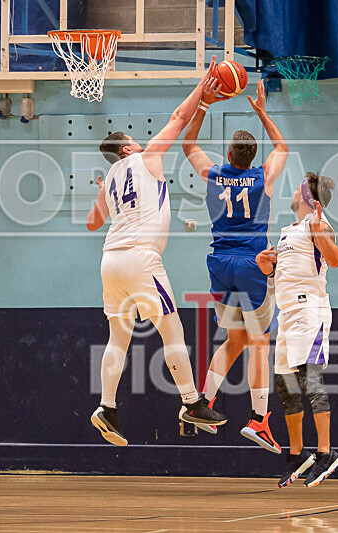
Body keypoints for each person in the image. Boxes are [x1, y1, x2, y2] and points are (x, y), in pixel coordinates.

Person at [87, 57, 227, 445]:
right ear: (129, 146)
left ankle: (107, 407)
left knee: (119, 336)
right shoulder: (147, 157)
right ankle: (191, 402)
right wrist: (202, 88)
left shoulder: (110, 179)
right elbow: (179, 118)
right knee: (171, 329)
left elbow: (92, 223)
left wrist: (101, 189)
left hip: (109, 260)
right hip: (139, 257)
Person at [181, 80, 288, 452]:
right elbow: (282, 147)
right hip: (253, 263)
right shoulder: (264, 176)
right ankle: (259, 420)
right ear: (252, 156)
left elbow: (188, 144)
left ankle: (203, 402)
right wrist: (262, 112)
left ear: (228, 153)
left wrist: (204, 105)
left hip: (219, 262)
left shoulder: (214, 174)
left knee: (235, 338)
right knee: (259, 342)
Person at [256, 173, 338, 487]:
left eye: (297, 188)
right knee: (286, 387)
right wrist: (268, 267)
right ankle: (298, 453)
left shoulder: (318, 225)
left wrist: (320, 233)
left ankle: (326, 453)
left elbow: (335, 260)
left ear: (308, 198)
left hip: (310, 311)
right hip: (288, 314)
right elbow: (282, 275)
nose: (292, 191)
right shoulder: (288, 231)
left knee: (312, 380)